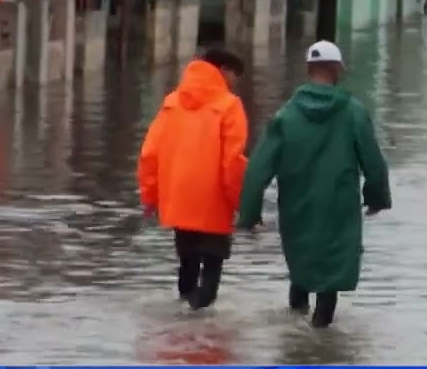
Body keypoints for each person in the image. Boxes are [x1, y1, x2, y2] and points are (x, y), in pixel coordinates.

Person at [237, 40, 391, 329]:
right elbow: (373, 160)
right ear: (337, 70)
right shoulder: (353, 112)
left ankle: (295, 337)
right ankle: (319, 340)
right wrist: (377, 197)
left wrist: (249, 213)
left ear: (308, 69)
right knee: (330, 274)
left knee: (301, 264)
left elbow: (258, 169)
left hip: (297, 206)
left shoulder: (285, 115)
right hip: (339, 207)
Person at [137, 48, 249, 310]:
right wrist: (242, 202)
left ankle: (181, 333)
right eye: (235, 75)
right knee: (211, 270)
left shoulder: (171, 103)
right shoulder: (229, 106)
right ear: (222, 70)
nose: (234, 82)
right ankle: (202, 337)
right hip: (213, 203)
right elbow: (232, 162)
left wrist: (150, 197)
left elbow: (149, 154)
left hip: (178, 199)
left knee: (187, 263)